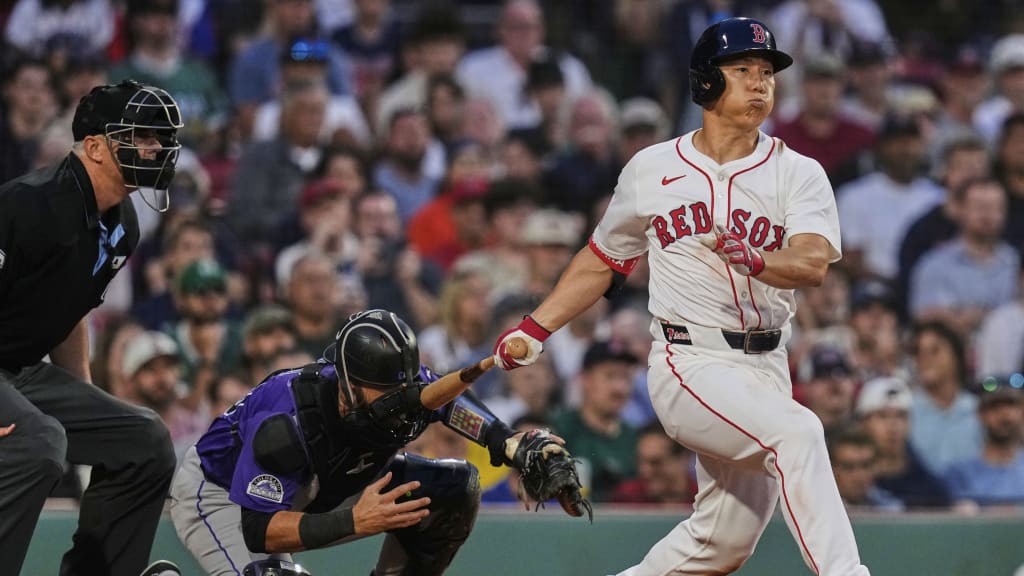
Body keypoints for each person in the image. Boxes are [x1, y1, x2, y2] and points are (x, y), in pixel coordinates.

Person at [491, 17, 870, 575]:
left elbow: (813, 261)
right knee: (799, 432)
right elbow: (603, 258)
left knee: (721, 544)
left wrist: (761, 259)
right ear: (705, 83)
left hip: (766, 364)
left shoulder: (799, 172)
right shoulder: (653, 169)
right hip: (688, 360)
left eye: (767, 71)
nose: (761, 82)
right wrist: (534, 329)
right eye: (743, 70)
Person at [169, 309, 581, 575]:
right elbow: (259, 531)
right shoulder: (287, 420)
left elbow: (453, 407)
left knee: (453, 489)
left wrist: (510, 443)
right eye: (379, 390)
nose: (396, 401)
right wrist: (354, 522)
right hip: (225, 495)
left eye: (400, 387)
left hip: (324, 482)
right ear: (346, 384)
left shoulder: (403, 386)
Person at [0, 80, 183, 576]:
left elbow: (70, 307)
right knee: (35, 442)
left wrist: (83, 400)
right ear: (97, 147)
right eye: (141, 136)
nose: (157, 148)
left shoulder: (124, 222)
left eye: (161, 138)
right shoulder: (27, 205)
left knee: (143, 439)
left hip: (21, 373)